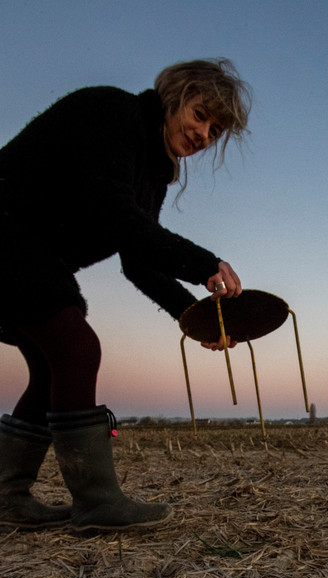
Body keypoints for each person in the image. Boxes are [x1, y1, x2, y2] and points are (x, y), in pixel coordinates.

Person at [0, 58, 252, 531]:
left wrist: (194, 317)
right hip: (8, 236)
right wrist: (205, 263)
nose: (202, 135)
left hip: (33, 257)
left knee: (53, 363)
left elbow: (136, 260)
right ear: (173, 96)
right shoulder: (113, 114)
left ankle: (6, 497)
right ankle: (96, 503)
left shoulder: (153, 172)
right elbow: (118, 220)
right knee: (77, 350)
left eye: (215, 131)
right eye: (200, 115)